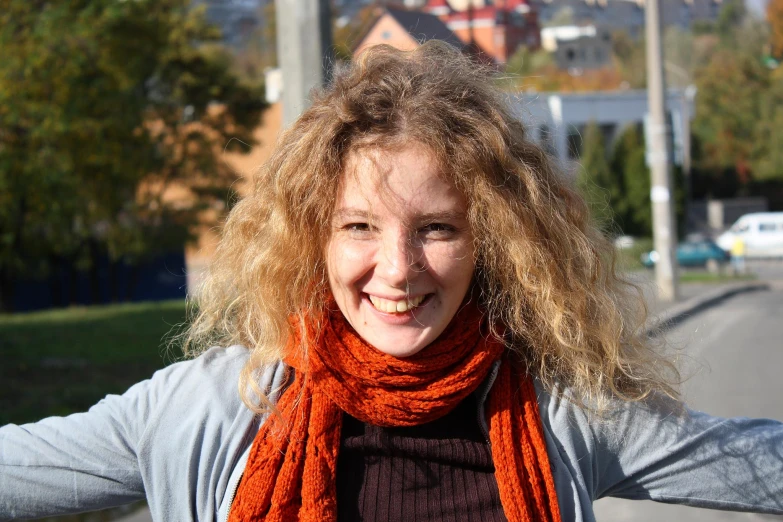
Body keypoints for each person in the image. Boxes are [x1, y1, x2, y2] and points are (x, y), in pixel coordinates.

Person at [1, 42, 782, 522]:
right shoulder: (200, 412)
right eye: (359, 227)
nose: (398, 268)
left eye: (437, 228)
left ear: (493, 244)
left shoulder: (565, 414)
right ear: (312, 238)